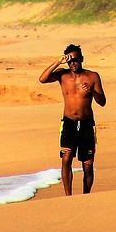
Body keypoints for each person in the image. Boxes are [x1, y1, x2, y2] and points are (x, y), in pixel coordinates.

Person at [38, 43, 106, 195]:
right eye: (70, 60)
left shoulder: (92, 76)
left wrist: (92, 92)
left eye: (75, 59)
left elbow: (102, 102)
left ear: (81, 59)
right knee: (66, 158)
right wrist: (58, 62)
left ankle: (85, 195)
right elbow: (42, 79)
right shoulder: (62, 75)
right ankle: (68, 196)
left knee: (87, 165)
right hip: (68, 122)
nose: (73, 63)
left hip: (86, 124)